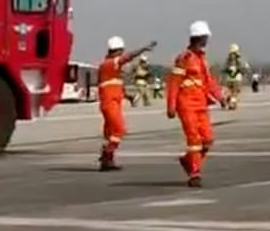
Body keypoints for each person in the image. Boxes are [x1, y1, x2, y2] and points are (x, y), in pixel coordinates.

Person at [167, 21, 226, 188]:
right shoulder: (183, 58)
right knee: (194, 139)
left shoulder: (202, 60)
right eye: (205, 37)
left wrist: (220, 97)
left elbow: (209, 82)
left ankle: (188, 160)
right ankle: (194, 173)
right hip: (186, 104)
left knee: (207, 140)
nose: (207, 40)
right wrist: (171, 106)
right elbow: (174, 83)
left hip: (201, 104)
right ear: (198, 37)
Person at [97, 37, 156, 171]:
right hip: (110, 103)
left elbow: (115, 86)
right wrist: (143, 49)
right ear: (117, 51)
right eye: (121, 51)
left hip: (113, 102)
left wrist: (128, 97)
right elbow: (128, 57)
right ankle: (106, 154)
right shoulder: (110, 63)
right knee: (119, 129)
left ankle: (107, 162)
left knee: (110, 133)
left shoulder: (111, 69)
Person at [222, 44, 247, 110]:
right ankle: (232, 104)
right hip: (237, 77)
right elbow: (244, 67)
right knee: (236, 92)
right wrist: (243, 72)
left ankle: (228, 100)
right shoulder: (239, 58)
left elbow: (224, 68)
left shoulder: (228, 59)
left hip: (229, 77)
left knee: (230, 91)